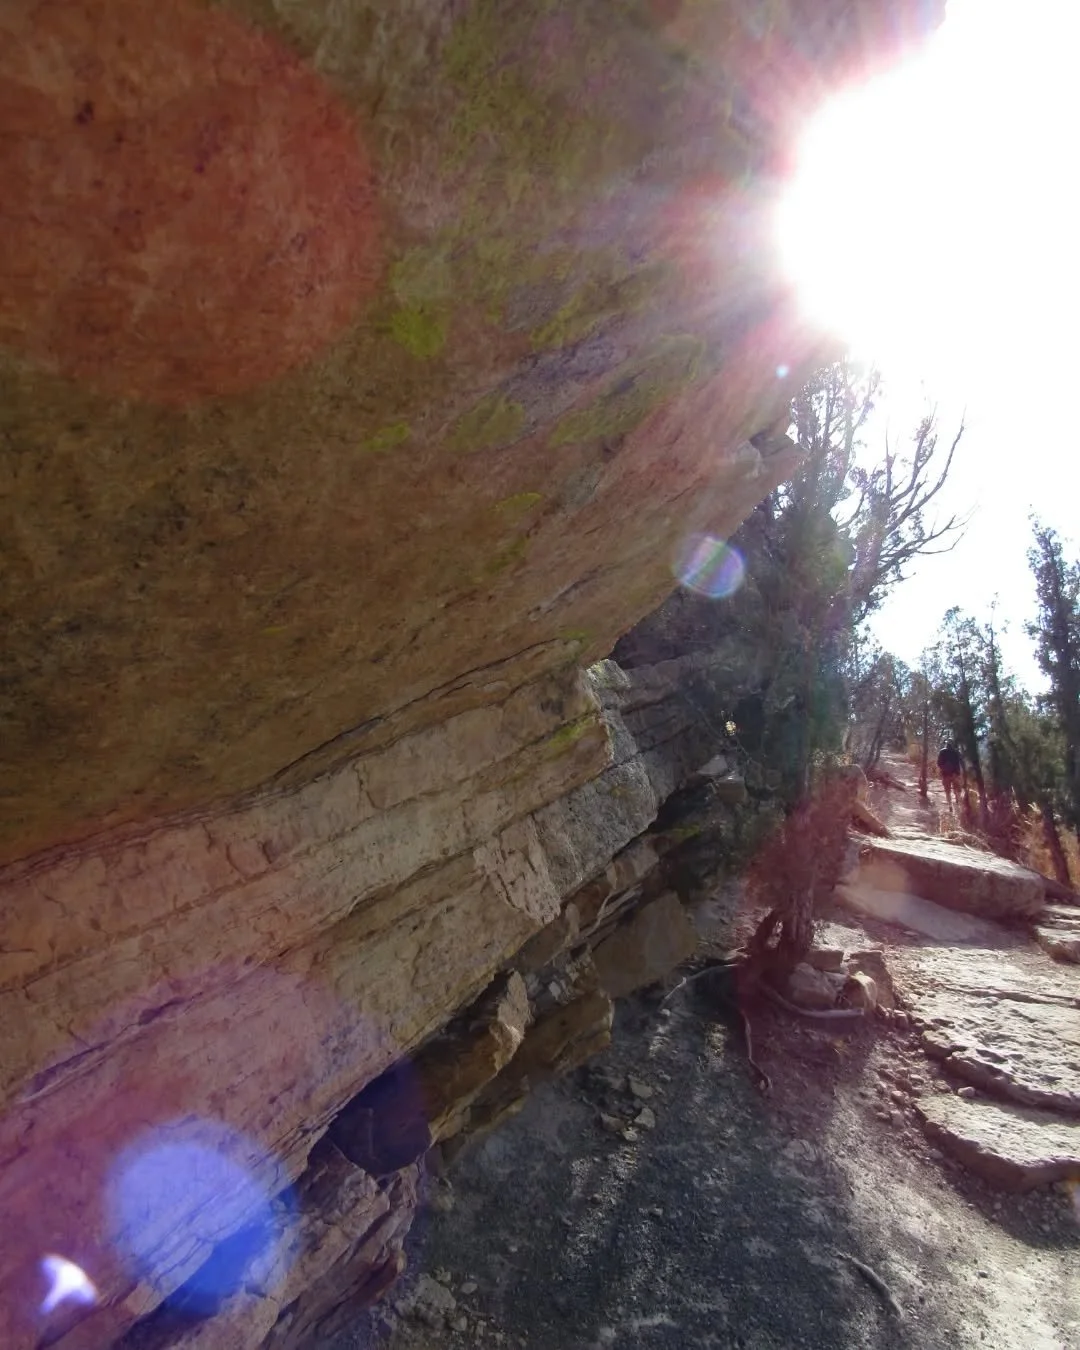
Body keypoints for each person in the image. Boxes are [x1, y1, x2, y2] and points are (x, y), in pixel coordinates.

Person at [937, 739, 962, 807]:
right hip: (955, 774)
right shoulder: (957, 752)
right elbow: (960, 763)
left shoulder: (942, 751)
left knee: (947, 791)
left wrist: (943, 769)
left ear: (947, 744)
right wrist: (959, 773)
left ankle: (950, 805)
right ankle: (958, 804)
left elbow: (939, 763)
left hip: (945, 775)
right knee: (957, 790)